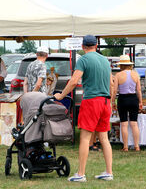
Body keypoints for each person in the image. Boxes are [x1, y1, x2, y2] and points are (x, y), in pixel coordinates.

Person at [54, 35, 113, 182]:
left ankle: (80, 174)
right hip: (106, 101)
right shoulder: (105, 60)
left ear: (83, 46)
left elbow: (74, 81)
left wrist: (61, 95)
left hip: (92, 101)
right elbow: (111, 83)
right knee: (104, 138)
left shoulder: (84, 60)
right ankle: (109, 172)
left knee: (85, 138)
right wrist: (111, 100)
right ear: (96, 45)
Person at [112, 55, 142, 152]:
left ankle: (125, 146)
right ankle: (136, 146)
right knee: (134, 123)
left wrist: (112, 101)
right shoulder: (135, 74)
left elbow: (115, 90)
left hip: (123, 99)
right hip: (133, 98)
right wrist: (140, 101)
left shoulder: (118, 75)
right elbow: (139, 90)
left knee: (124, 124)